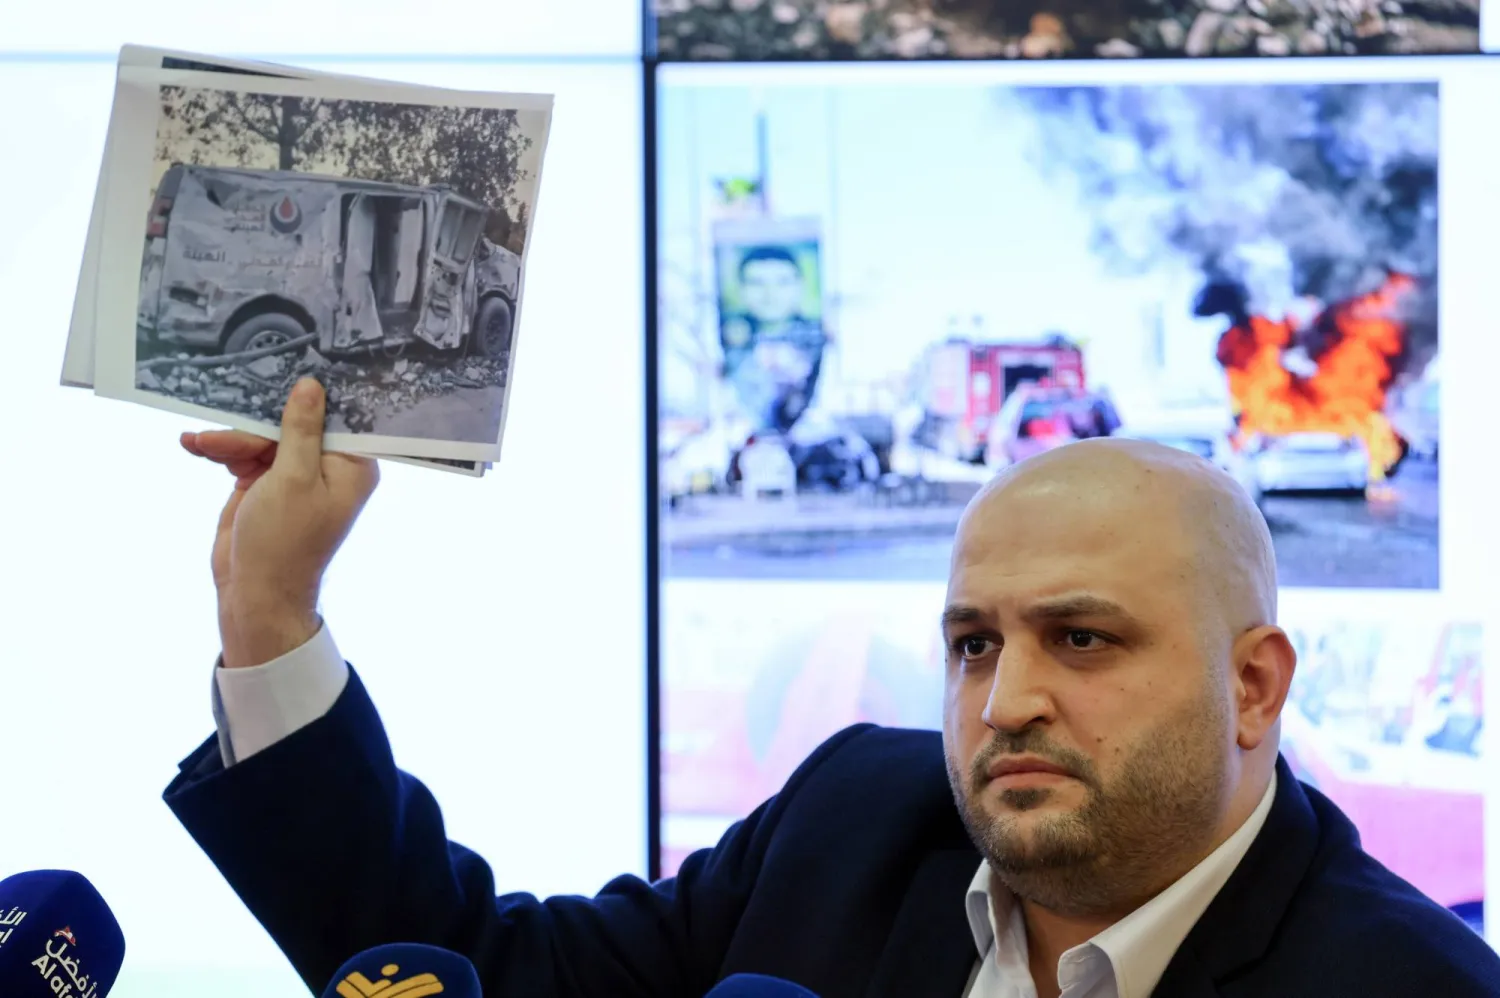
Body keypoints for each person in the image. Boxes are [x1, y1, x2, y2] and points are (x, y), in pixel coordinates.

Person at [165, 377, 1500, 998]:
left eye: (1081, 639)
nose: (1007, 698)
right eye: (974, 642)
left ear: (1255, 686)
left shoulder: (1406, 988)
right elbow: (472, 976)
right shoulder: (859, 818)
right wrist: (272, 613)